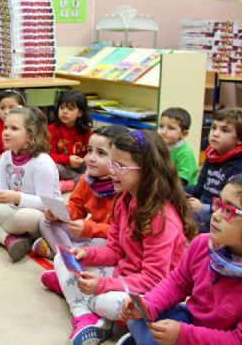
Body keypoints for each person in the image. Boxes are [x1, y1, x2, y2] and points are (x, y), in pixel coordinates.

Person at [52, 130, 197, 345]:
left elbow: (154, 280)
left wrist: (103, 284)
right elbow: (114, 250)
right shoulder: (124, 199)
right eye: (112, 163)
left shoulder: (161, 218)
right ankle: (85, 315)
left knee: (108, 301)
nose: (111, 171)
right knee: (60, 259)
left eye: (119, 166)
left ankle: (82, 302)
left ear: (146, 171)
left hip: (152, 291)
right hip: (125, 275)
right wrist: (86, 254)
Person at [118, 174, 242, 345]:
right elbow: (177, 282)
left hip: (218, 339)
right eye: (219, 205)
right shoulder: (202, 244)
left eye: (229, 210)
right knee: (139, 315)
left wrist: (183, 335)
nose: (216, 215)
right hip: (191, 320)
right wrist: (148, 305)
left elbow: (236, 340)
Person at [33, 125, 129, 261]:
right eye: (89, 150)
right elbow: (76, 207)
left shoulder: (125, 187)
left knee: (103, 244)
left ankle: (60, 253)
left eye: (101, 153)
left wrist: (90, 228)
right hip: (87, 231)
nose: (90, 158)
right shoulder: (86, 179)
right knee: (45, 222)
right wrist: (60, 214)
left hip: (108, 238)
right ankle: (70, 258)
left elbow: (121, 232)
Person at [0, 106, 61, 262]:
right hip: (14, 210)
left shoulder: (42, 162)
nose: (6, 132)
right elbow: (0, 190)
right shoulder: (6, 156)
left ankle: (5, 234)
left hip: (43, 218)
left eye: (14, 128)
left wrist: (16, 197)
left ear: (30, 135)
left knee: (23, 216)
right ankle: (10, 240)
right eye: (5, 127)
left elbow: (45, 203)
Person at [185, 107, 242, 232]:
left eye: (224, 130)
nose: (215, 133)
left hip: (222, 218)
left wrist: (203, 208)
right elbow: (198, 189)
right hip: (202, 211)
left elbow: (230, 206)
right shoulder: (212, 155)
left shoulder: (238, 166)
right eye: (214, 127)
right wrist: (175, 189)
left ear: (239, 139)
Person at [48, 90, 93, 192]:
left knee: (98, 168)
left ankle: (74, 182)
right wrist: (68, 159)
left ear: (80, 113)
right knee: (52, 167)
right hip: (62, 166)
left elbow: (90, 151)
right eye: (62, 107)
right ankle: (78, 182)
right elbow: (49, 156)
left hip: (79, 166)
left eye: (70, 109)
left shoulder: (86, 131)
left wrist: (87, 157)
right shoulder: (52, 129)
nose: (64, 111)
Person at [158, 107, 198, 185]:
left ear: (183, 134)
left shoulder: (185, 154)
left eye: (171, 128)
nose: (163, 132)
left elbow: (181, 182)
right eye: (161, 126)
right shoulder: (159, 146)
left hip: (182, 192)